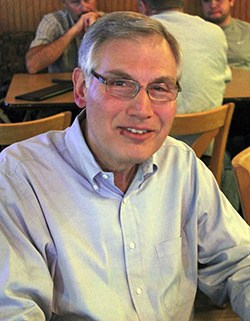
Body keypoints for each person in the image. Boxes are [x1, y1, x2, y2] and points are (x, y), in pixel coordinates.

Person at [0, 11, 249, 321]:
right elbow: (13, 310)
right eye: (119, 83)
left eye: (159, 87)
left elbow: (240, 262)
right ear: (81, 88)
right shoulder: (20, 177)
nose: (142, 110)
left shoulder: (182, 165)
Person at [137, 0, 239, 210]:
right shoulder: (215, 33)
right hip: (206, 155)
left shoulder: (138, 34)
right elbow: (224, 77)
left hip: (147, 156)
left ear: (143, 6)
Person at [26, 0, 104, 74]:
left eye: (87, 0)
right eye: (75, 2)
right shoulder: (52, 21)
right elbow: (33, 66)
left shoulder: (109, 21)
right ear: (64, 3)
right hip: (61, 85)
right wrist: (73, 31)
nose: (84, 8)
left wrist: (95, 32)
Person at [200, 0, 250, 70]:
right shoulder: (194, 34)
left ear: (231, 1)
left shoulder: (247, 31)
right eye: (207, 1)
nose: (213, 5)